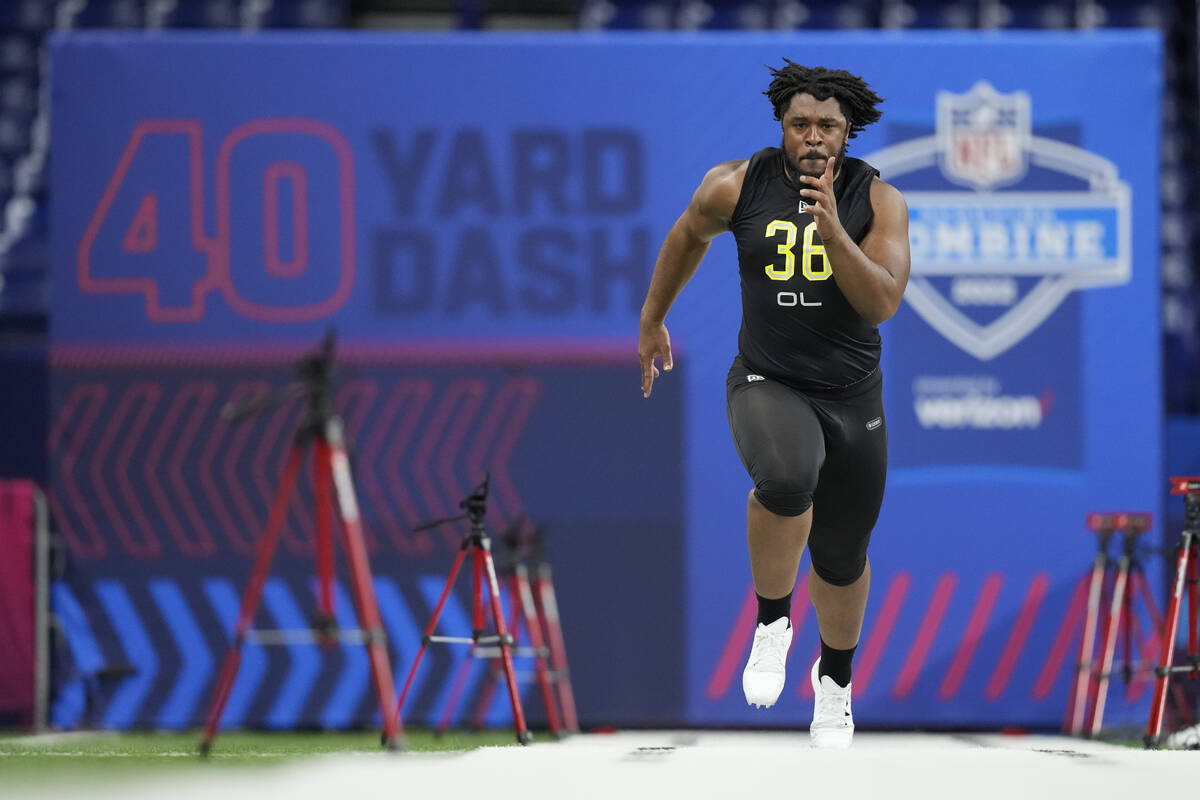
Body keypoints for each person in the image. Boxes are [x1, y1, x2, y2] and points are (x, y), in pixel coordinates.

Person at [638, 61, 910, 749]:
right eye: (799, 125)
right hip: (768, 377)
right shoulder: (736, 184)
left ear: (848, 132)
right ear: (781, 128)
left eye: (826, 126)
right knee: (787, 478)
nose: (812, 137)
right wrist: (652, 319)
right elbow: (685, 236)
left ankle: (836, 683)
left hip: (853, 395)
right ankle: (771, 623)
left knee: (843, 553)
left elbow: (881, 301)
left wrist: (833, 231)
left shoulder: (879, 201)